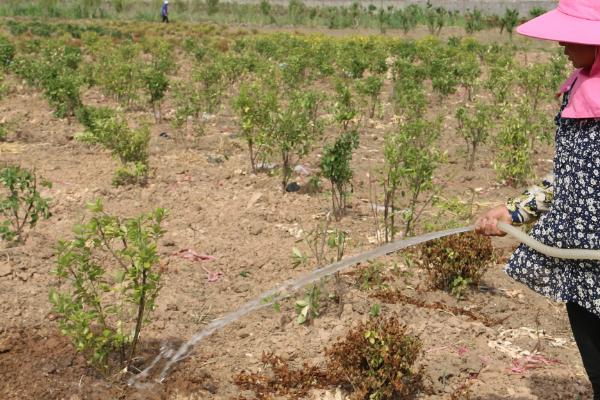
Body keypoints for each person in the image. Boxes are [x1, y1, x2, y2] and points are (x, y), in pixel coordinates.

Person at [476, 1, 600, 397]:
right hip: (584, 266)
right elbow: (568, 179)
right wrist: (514, 211)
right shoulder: (579, 86)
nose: (562, 43)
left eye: (573, 35)